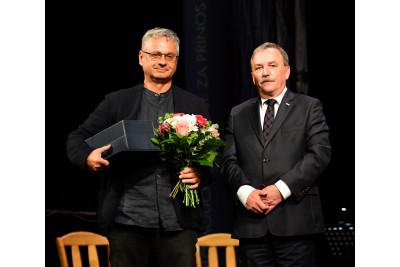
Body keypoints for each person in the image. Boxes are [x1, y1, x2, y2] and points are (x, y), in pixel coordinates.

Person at [66, 27, 216, 267]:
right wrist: (87, 157)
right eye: (155, 55)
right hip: (127, 222)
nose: (162, 62)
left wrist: (201, 173)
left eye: (169, 56)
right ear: (141, 57)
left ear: (176, 60)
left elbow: (214, 155)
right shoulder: (117, 101)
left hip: (178, 224)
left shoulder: (193, 103)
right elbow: (77, 137)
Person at [221, 42, 331, 266]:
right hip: (252, 226)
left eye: (272, 65)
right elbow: (227, 160)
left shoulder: (309, 107)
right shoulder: (237, 113)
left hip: (296, 222)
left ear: (287, 71)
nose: (265, 72)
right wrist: (245, 192)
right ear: (252, 75)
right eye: (259, 67)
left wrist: (282, 189)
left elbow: (319, 154)